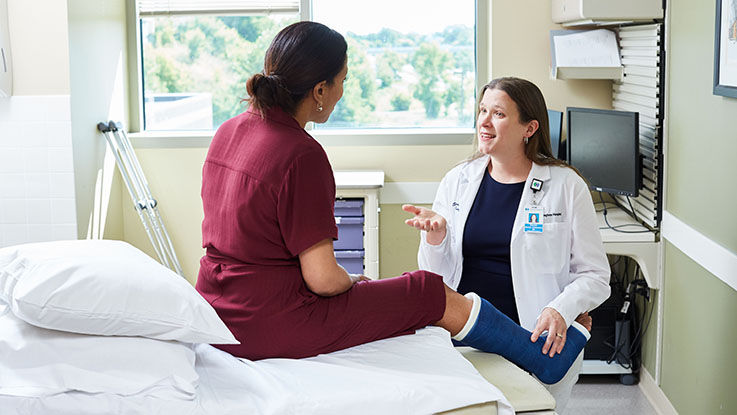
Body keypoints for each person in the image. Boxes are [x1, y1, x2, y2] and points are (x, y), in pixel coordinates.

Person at [195, 22, 590, 386]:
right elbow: (322, 280)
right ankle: (544, 361)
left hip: (220, 311)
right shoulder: (301, 154)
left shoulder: (228, 130)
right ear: (319, 90)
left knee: (409, 291)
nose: (342, 91)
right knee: (425, 291)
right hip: (273, 322)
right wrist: (354, 282)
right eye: (342, 81)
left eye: (497, 114)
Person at [403, 77, 610, 410]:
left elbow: (596, 276)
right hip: (461, 335)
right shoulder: (459, 179)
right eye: (482, 110)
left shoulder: (566, 186)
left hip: (532, 334)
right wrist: (436, 237)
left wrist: (561, 308)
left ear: (529, 128)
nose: (484, 121)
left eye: (497, 113)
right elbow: (435, 275)